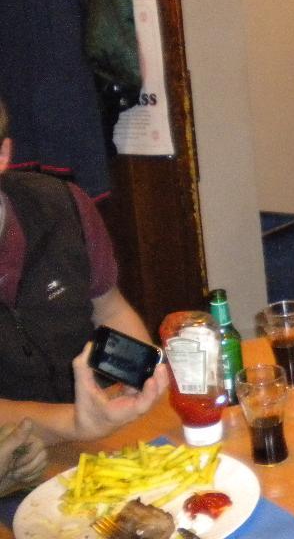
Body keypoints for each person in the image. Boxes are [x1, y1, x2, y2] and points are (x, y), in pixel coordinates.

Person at [0, 97, 169, 444]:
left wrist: (141, 378)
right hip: (18, 457)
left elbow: (109, 309)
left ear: (3, 154)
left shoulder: (61, 204)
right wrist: (75, 422)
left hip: (99, 432)